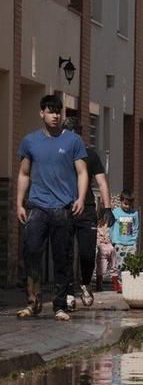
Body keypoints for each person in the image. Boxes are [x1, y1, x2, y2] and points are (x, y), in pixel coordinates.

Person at [15, 94, 89, 321]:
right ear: (41, 113)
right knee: (32, 252)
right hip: (37, 205)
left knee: (62, 257)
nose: (55, 115)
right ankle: (33, 303)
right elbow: (24, 174)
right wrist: (19, 203)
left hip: (63, 207)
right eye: (50, 111)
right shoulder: (30, 141)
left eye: (58, 111)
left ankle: (60, 306)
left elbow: (82, 172)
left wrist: (81, 198)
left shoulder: (73, 141)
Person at [61, 116, 113, 307]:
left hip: (87, 210)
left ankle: (84, 283)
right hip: (64, 207)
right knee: (65, 252)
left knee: (86, 253)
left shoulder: (90, 155)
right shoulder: (59, 154)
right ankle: (67, 291)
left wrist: (107, 208)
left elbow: (102, 182)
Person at [109, 191, 140, 293]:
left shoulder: (134, 213)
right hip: (119, 243)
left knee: (131, 263)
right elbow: (111, 227)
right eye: (125, 204)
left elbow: (136, 227)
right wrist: (112, 240)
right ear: (121, 201)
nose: (127, 207)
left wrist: (134, 239)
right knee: (121, 264)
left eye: (130, 205)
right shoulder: (116, 212)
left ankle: (130, 283)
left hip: (131, 243)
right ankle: (120, 283)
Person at [96, 226, 116, 291]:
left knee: (112, 251)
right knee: (101, 266)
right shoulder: (97, 228)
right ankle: (99, 284)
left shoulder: (110, 228)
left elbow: (112, 237)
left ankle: (115, 283)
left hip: (109, 245)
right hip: (101, 245)